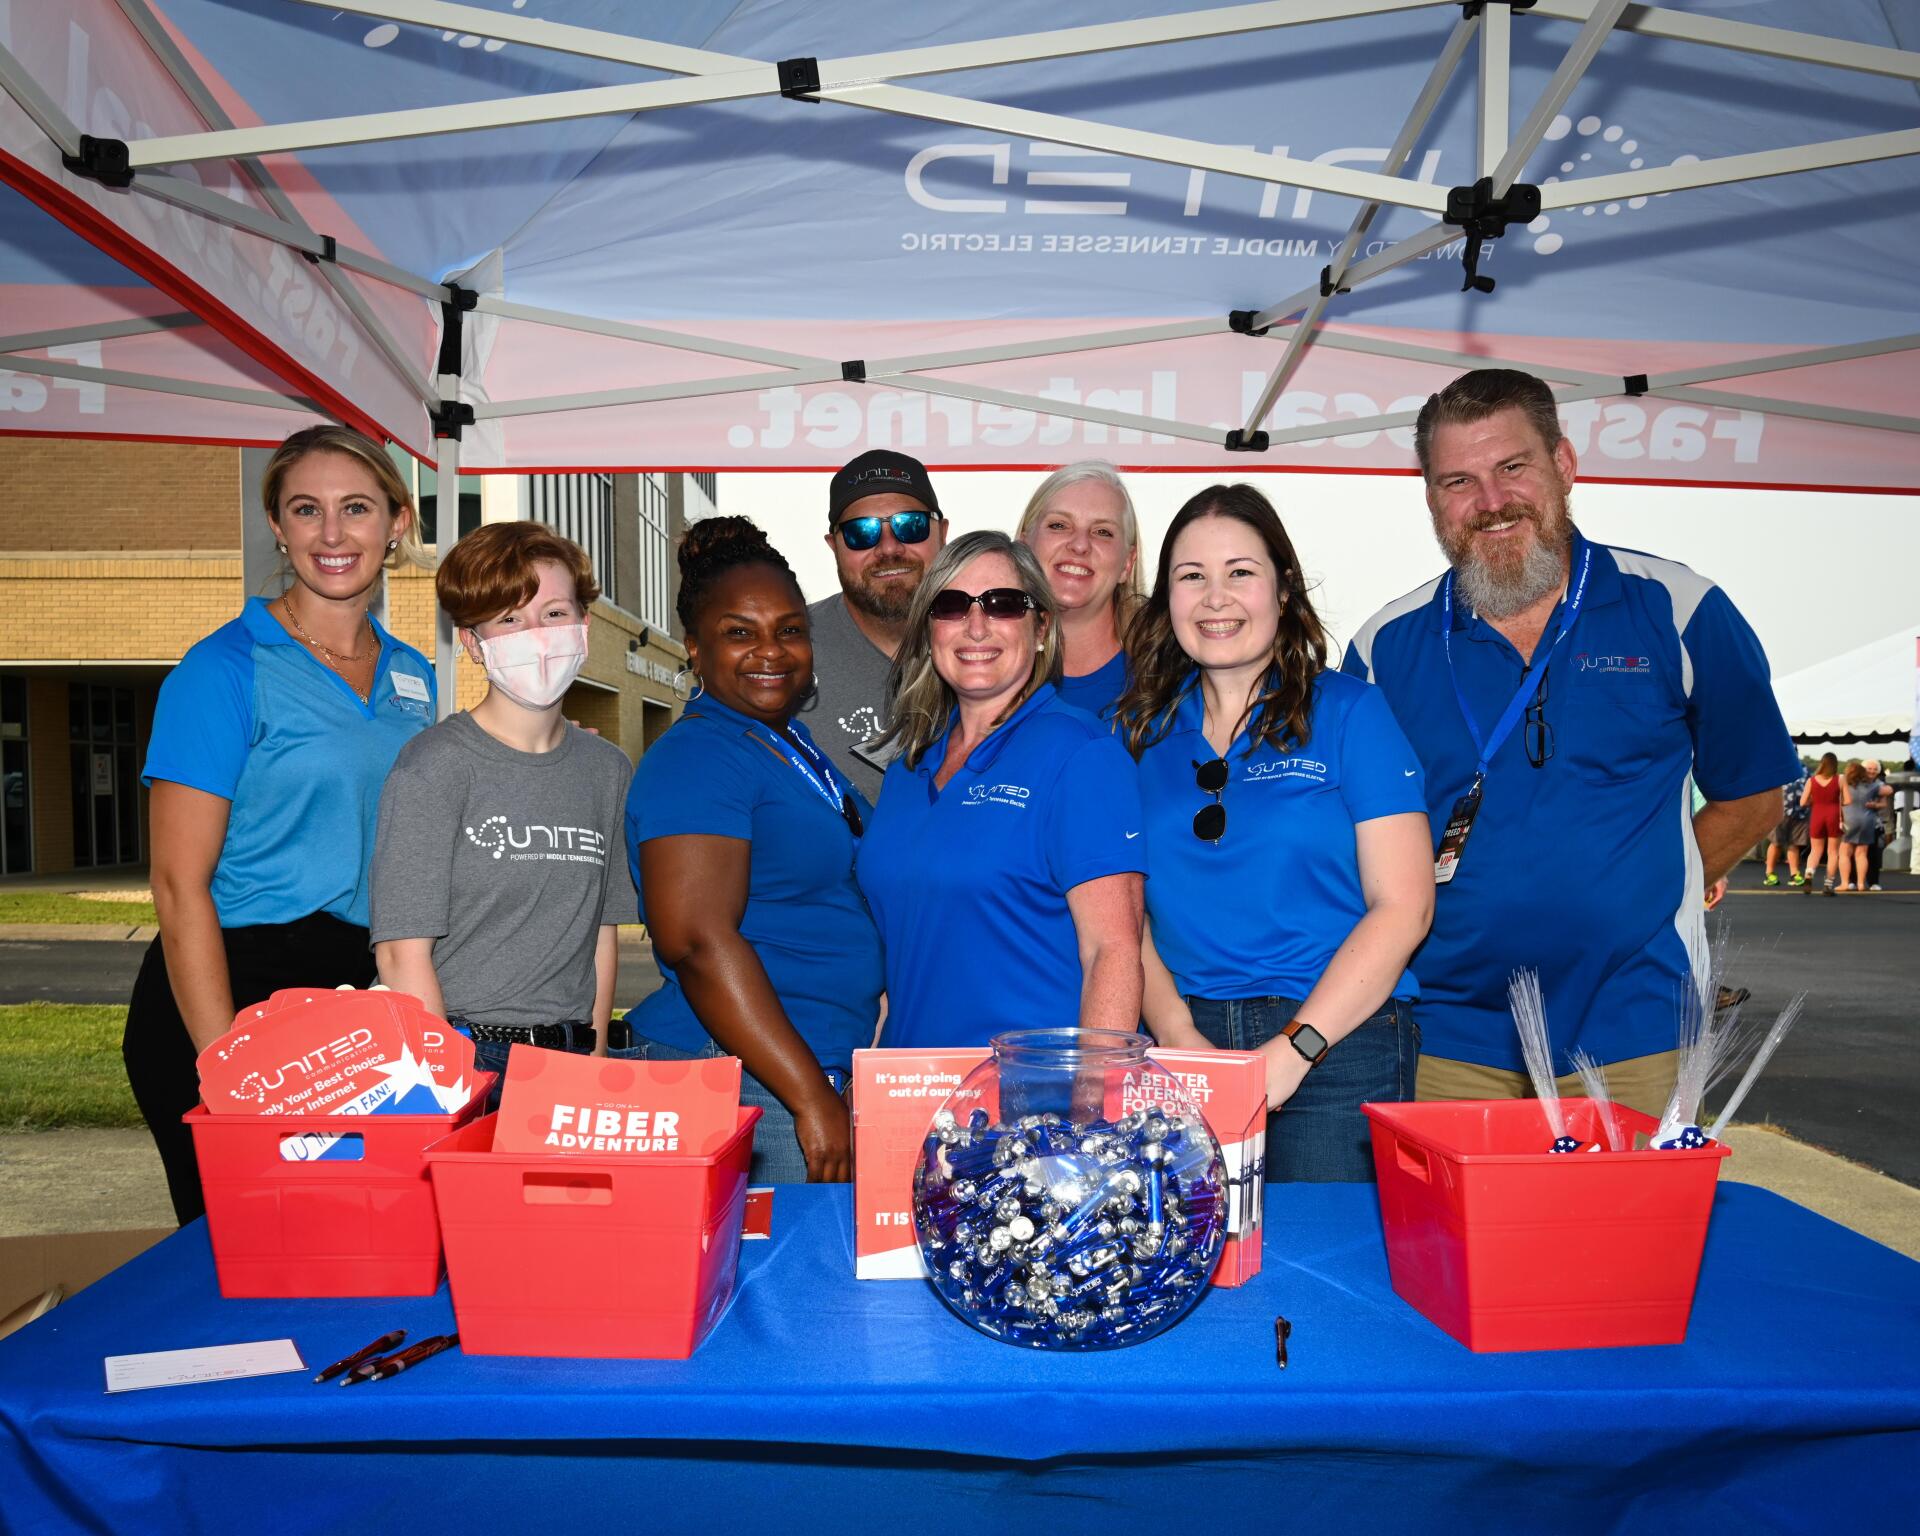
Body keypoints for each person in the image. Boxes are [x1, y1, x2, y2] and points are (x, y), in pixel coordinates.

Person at [1342, 369, 1797, 1120]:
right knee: (1452, 1238)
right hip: (1442, 1027)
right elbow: (1350, 835)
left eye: (1512, 467)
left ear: (1564, 465)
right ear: (1430, 499)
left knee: (1623, 1236)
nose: (1491, 502)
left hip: (1631, 1022)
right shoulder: (1382, 648)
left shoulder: (1680, 610)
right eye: (1458, 481)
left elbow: (1752, 796)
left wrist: (1649, 893)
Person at [126, 425, 436, 1223]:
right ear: (278, 526)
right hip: (231, 987)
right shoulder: (224, 668)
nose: (333, 535)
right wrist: (226, 1063)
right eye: (307, 510)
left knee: (350, 1247)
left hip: (356, 998)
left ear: (397, 522)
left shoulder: (416, 673)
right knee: (245, 1257)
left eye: (357, 508)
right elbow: (176, 883)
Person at [1115, 486, 1434, 1182]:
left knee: (1324, 1269)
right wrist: (1175, 1034)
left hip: (1338, 1044)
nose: (1215, 597)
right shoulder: (1137, 735)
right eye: (1191, 577)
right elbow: (1121, 915)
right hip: (1182, 1040)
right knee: (1184, 1266)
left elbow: (1405, 906)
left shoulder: (1354, 714)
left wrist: (1295, 1049)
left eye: (1240, 573)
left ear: (1283, 590)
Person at [622, 517, 882, 1183]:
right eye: (740, 632)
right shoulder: (699, 757)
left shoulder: (780, 740)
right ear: (695, 648)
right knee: (770, 1284)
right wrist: (809, 1095)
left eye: (789, 630)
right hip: (746, 1077)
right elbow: (697, 942)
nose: (771, 651)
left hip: (795, 1064)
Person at [370, 523, 636, 1094]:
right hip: (463, 1054)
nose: (536, 635)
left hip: (567, 1060)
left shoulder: (607, 770)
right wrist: (446, 1087)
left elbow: (602, 935)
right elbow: (399, 955)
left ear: (584, 628)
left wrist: (592, 1060)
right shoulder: (433, 766)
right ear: (472, 642)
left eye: (555, 613)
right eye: (510, 620)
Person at [858, 531, 1144, 1047]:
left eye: (1003, 604)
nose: (975, 626)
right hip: (912, 1091)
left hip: (1030, 1104)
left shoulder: (1081, 753)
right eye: (950, 605)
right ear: (928, 631)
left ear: (1041, 628)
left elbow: (1113, 950)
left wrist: (1089, 1102)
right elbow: (897, 954)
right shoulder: (909, 765)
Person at [803, 449, 948, 801]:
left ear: (941, 532)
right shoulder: (785, 648)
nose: (888, 547)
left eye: (910, 525)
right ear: (833, 545)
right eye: (861, 532)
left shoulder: (992, 642)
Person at [1015, 460, 1143, 717]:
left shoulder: (1167, 678)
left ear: (1127, 564)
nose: (1080, 545)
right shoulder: (981, 667)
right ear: (1024, 546)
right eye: (1059, 525)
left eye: (1103, 532)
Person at [1837, 758, 1885, 894]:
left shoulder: (1844, 783)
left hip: (1848, 820)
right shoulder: (1873, 786)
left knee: (1845, 853)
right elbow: (1888, 790)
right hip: (1867, 821)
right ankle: (1861, 883)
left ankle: (1846, 882)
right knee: (1862, 854)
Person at [1801, 752, 1842, 896]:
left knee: (1815, 850)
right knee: (1833, 852)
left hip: (1817, 814)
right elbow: (1848, 800)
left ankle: (1809, 873)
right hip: (1834, 814)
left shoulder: (1811, 780)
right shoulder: (1839, 779)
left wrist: (1815, 801)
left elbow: (1803, 802)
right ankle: (1828, 885)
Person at [1764, 765, 1810, 887]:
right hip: (1779, 810)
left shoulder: (1804, 769)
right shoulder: (1775, 767)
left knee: (1794, 844)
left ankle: (1794, 874)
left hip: (1799, 812)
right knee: (1776, 843)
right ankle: (1769, 873)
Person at [1862, 759, 1891, 890]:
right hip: (1857, 822)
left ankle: (1873, 882)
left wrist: (1875, 805)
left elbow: (1884, 803)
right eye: (1869, 768)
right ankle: (1853, 880)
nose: (1872, 771)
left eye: (1875, 769)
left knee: (1873, 854)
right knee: (1854, 853)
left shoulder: (1880, 784)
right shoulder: (1856, 783)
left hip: (1874, 822)